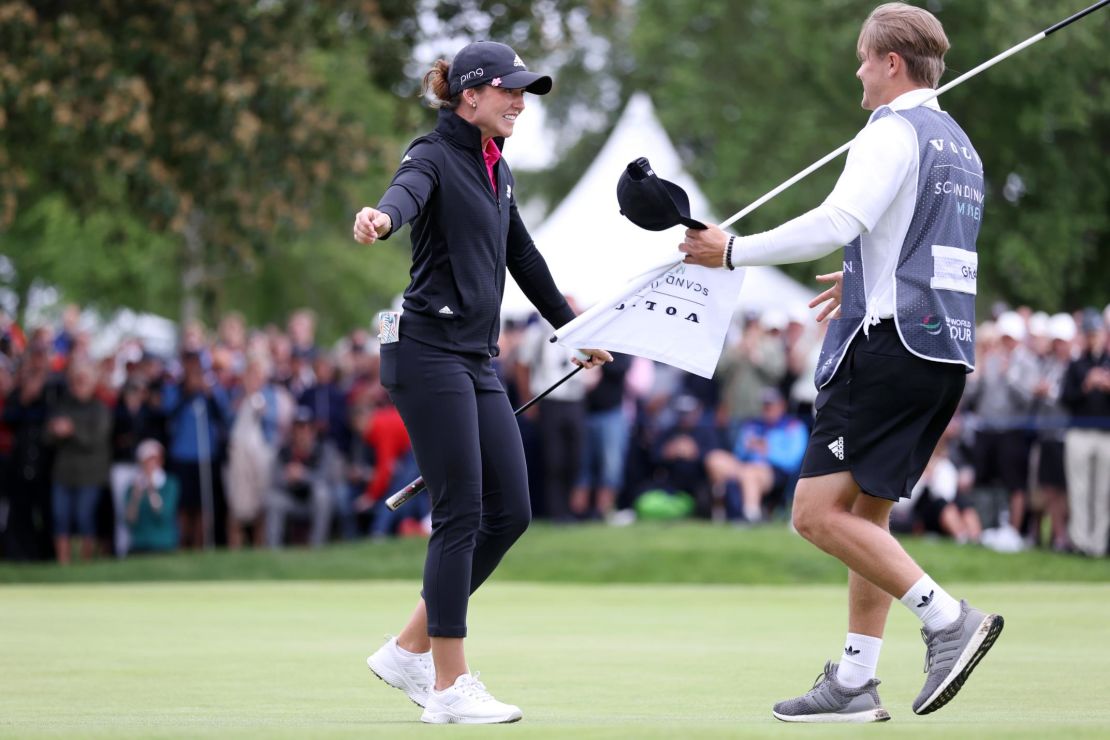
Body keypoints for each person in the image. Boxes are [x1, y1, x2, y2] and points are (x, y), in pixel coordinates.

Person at [680, 3, 1003, 721]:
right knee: (867, 517)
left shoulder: (891, 130)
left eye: (864, 58)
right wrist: (862, 279)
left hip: (888, 350)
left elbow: (837, 221)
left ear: (891, 62)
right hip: (941, 348)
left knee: (816, 514)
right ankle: (855, 682)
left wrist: (730, 250)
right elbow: (913, 240)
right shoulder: (959, 143)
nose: (858, 70)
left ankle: (948, 619)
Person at [352, 40, 612, 724]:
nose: (521, 103)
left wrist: (572, 329)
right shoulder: (434, 154)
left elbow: (520, 253)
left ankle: (408, 649)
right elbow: (405, 193)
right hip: (425, 352)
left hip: (473, 357)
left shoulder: (497, 167)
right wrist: (381, 219)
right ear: (470, 95)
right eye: (511, 91)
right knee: (462, 513)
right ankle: (446, 686)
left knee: (512, 511)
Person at [705, 387, 807, 523]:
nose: (767, 409)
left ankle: (750, 515)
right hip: (746, 465)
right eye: (765, 405)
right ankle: (719, 509)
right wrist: (747, 448)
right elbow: (738, 454)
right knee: (715, 459)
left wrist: (767, 451)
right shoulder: (753, 425)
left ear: (782, 406)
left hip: (775, 471)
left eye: (771, 405)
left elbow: (792, 461)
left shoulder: (793, 427)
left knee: (749, 473)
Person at [125, 439, 180, 553]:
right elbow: (129, 521)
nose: (151, 465)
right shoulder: (132, 487)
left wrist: (151, 490)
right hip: (139, 544)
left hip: (163, 544)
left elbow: (163, 515)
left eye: (155, 460)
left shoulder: (170, 484)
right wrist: (136, 497)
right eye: (147, 461)